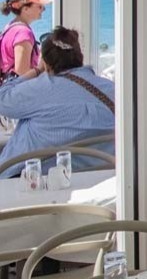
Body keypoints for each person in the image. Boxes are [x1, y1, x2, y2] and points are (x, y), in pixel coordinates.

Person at [0, 28, 115, 174]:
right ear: (79, 57)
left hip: (33, 181)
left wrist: (36, 70)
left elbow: (2, 98)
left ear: (47, 64)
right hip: (99, 180)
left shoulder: (41, 89)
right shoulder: (112, 90)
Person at [1, 0, 51, 81]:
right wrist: (41, 68)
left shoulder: (10, 27)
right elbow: (22, 72)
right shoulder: (23, 32)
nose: (44, 9)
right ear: (25, 9)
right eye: (39, 6)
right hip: (18, 91)